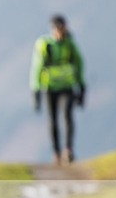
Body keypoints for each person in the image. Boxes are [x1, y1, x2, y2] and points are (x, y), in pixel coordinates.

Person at [30, 14, 85, 165]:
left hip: (67, 87)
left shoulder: (70, 44)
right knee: (52, 120)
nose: (60, 31)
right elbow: (37, 68)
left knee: (67, 116)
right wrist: (36, 91)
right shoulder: (45, 45)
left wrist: (81, 86)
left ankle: (68, 150)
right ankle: (56, 153)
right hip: (50, 88)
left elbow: (79, 64)